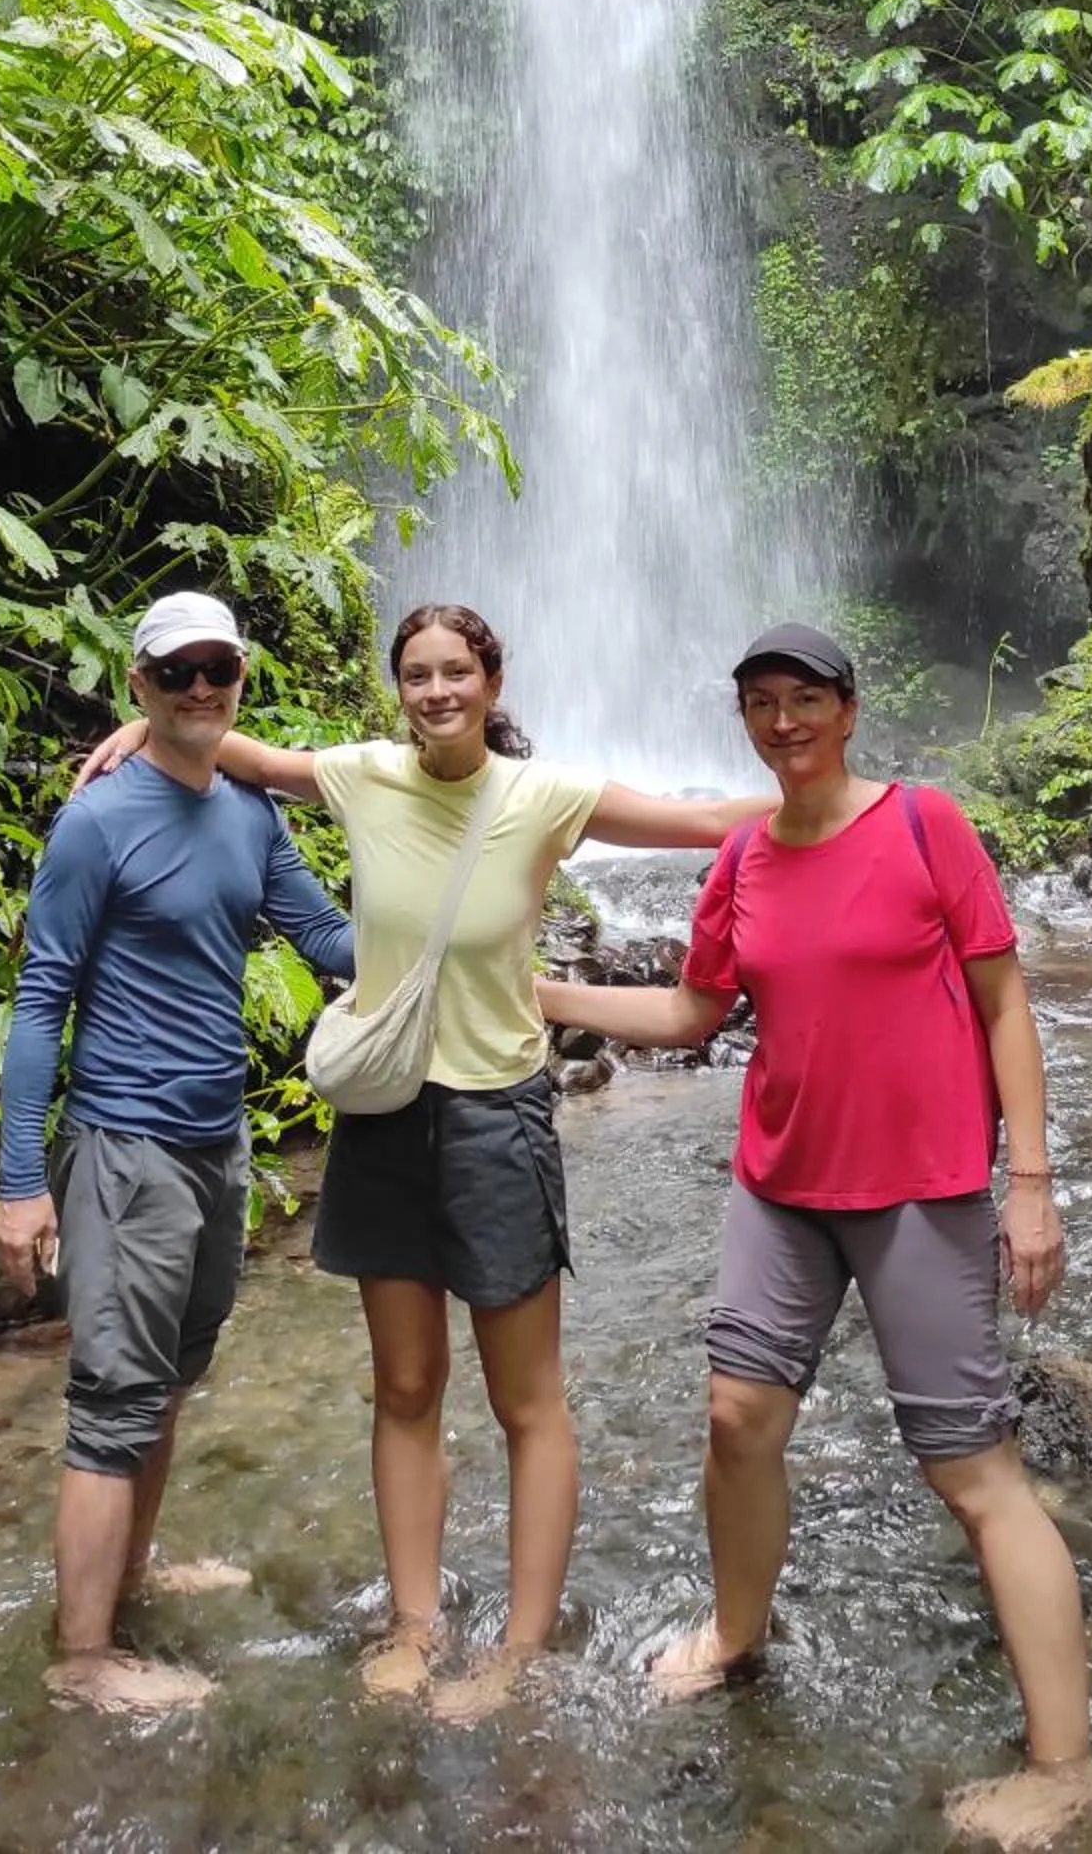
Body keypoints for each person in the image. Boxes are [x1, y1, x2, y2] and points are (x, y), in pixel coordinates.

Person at [77, 600, 772, 1715]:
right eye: (417, 674)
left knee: (526, 1402)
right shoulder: (360, 776)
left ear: (492, 683)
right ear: (396, 687)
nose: (437, 690)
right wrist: (140, 732)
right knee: (404, 1387)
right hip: (387, 1114)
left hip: (498, 1117)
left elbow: (706, 822)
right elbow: (228, 741)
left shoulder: (545, 797)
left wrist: (851, 798)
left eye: (457, 671)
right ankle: (415, 1623)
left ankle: (520, 1649)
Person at [534, 622, 1092, 1852]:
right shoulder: (741, 855)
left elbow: (1005, 1002)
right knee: (737, 1420)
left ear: (848, 710)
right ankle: (740, 1635)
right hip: (783, 1186)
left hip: (923, 1186)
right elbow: (697, 1012)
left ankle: (1066, 1766)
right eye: (760, 703)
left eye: (804, 698)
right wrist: (538, 995)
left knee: (972, 1473)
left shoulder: (924, 826)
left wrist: (1033, 1180)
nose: (783, 720)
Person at [0, 590, 356, 1716]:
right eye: (178, 670)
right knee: (113, 1395)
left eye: (221, 669)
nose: (203, 687)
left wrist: (466, 902)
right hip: (124, 1147)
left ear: (241, 679)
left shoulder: (249, 811)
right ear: (139, 685)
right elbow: (40, 998)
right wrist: (17, 1188)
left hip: (216, 1146)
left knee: (172, 1377)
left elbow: (332, 939)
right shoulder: (98, 822)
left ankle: (135, 1575)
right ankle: (84, 1659)